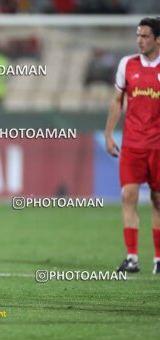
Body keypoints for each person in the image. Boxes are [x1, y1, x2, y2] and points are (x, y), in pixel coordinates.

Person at [105, 17, 160, 274]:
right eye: (138, 35)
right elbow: (118, 100)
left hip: (158, 146)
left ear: (157, 39)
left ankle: (158, 259)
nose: (140, 40)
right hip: (133, 144)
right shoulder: (127, 64)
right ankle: (132, 257)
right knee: (129, 196)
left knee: (158, 201)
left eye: (145, 36)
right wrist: (108, 133)